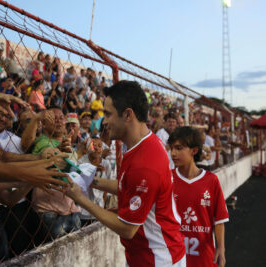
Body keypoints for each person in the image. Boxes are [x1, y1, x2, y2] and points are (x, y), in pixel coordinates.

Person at [61, 81, 186, 266]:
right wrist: (91, 181)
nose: (104, 121)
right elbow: (129, 186)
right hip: (149, 254)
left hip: (158, 259)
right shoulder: (144, 144)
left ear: (128, 115)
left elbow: (127, 229)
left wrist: (80, 198)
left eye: (108, 114)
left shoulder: (144, 163)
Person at [168, 126, 229, 267]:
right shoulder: (167, 179)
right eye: (171, 148)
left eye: (179, 148)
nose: (173, 153)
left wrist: (221, 248)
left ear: (194, 151)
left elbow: (219, 218)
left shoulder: (211, 180)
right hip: (174, 258)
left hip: (204, 258)